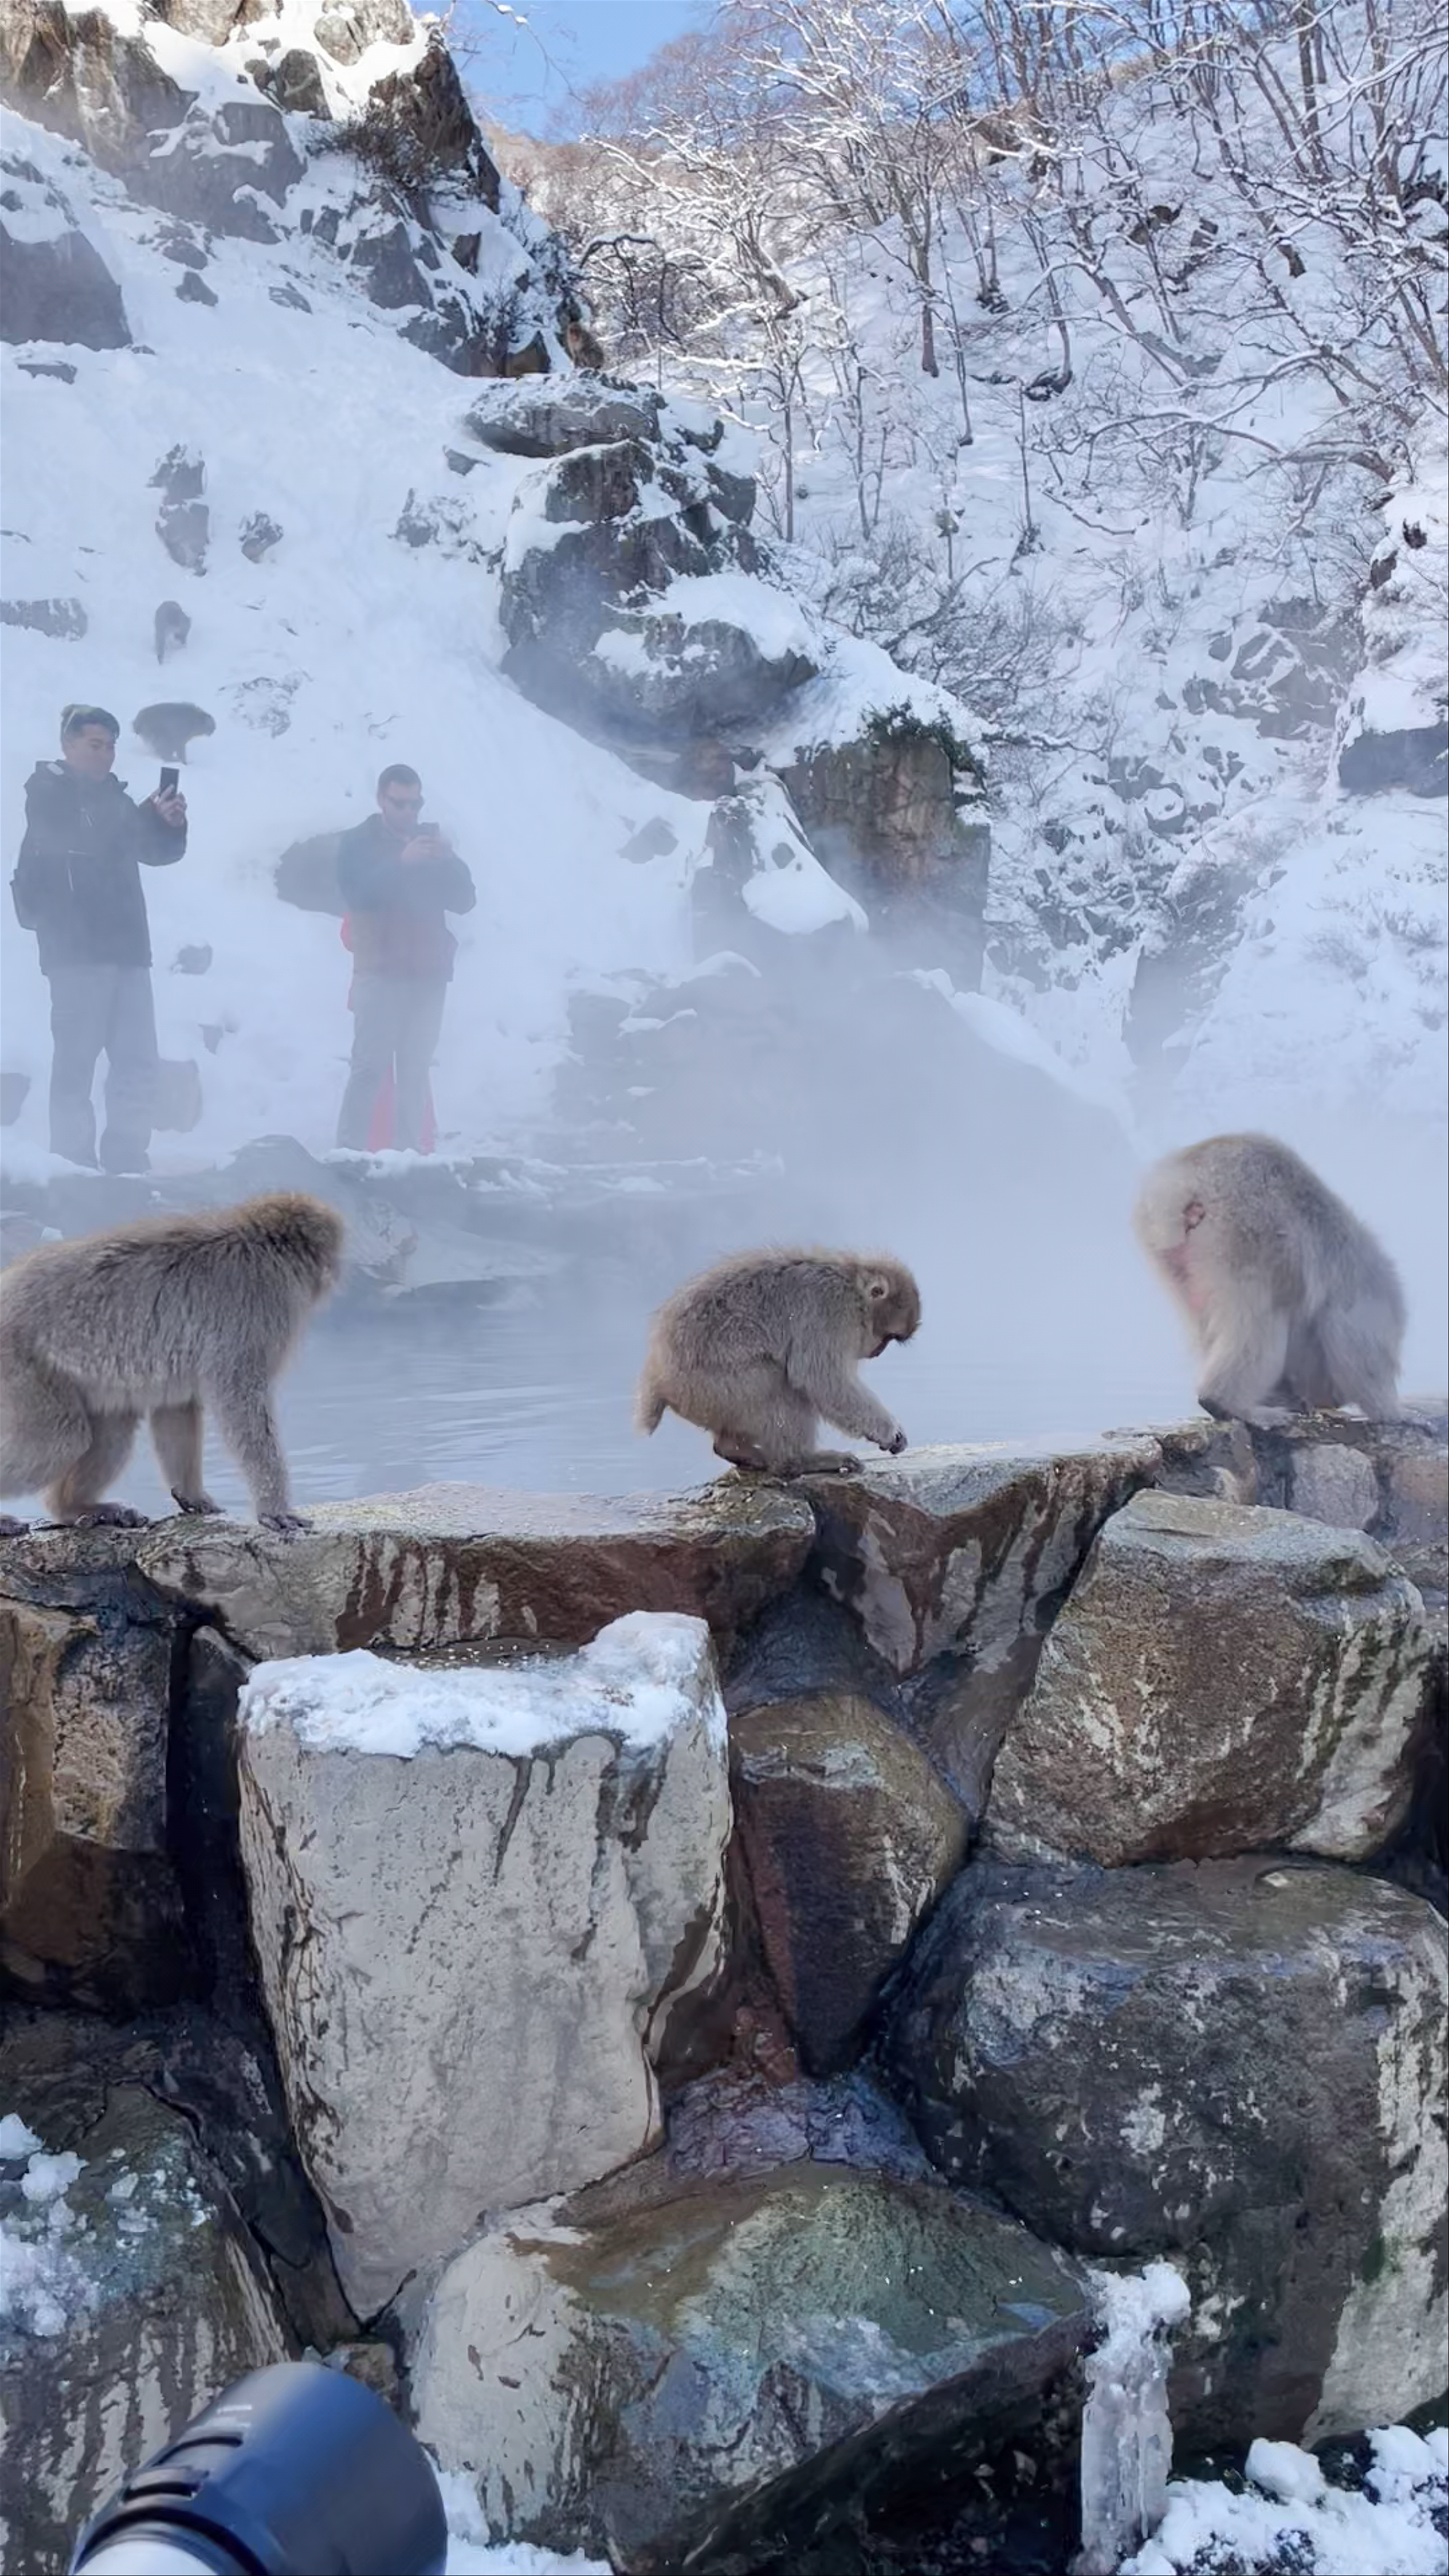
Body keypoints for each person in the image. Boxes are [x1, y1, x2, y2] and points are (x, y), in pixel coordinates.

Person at [10, 703, 188, 1174]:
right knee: (78, 1062)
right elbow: (83, 835)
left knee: (137, 1060)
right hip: (75, 951)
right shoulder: (48, 791)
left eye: (110, 746)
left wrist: (167, 823)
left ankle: (127, 1156)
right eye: (95, 745)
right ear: (68, 746)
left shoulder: (114, 800)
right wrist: (142, 817)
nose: (106, 755)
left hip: (128, 948)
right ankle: (73, 1164)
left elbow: (152, 852)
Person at [334, 763, 475, 1154]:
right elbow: (357, 893)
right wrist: (401, 863)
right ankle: (349, 1155)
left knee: (415, 1072)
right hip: (380, 971)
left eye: (416, 804)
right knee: (369, 1069)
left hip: (427, 973)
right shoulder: (358, 842)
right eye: (400, 804)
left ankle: (412, 1157)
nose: (409, 813)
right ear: (381, 799)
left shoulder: (428, 841)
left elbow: (465, 900)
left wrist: (447, 859)